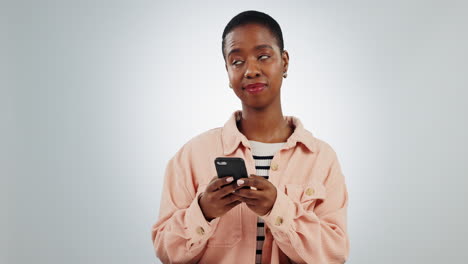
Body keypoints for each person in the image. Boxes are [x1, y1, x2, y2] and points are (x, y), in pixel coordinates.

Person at [151, 10, 350, 264]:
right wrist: (203, 212)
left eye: (263, 56)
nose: (251, 70)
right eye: (237, 62)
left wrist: (277, 208)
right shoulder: (191, 156)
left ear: (285, 61)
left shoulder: (321, 158)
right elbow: (166, 252)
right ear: (227, 72)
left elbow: (335, 253)